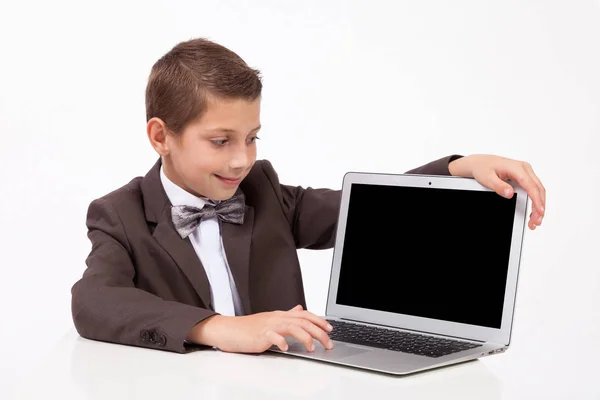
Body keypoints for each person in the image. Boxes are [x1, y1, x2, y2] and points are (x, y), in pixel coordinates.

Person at [71, 38, 546, 355]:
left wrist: (457, 168)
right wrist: (220, 327)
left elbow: (367, 211)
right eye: (221, 141)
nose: (241, 160)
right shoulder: (120, 214)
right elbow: (94, 300)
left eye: (252, 137)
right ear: (160, 136)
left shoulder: (262, 192)